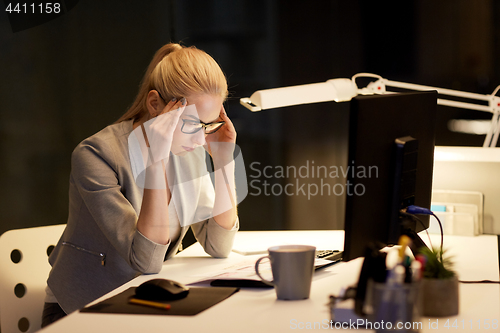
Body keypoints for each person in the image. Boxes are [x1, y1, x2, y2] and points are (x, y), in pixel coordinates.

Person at [41, 43, 239, 327]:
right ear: (155, 104)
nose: (200, 140)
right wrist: (156, 161)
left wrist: (223, 161)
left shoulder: (188, 148)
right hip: (81, 311)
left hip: (144, 303)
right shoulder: (95, 155)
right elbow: (145, 260)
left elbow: (218, 244)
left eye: (208, 125)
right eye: (192, 125)